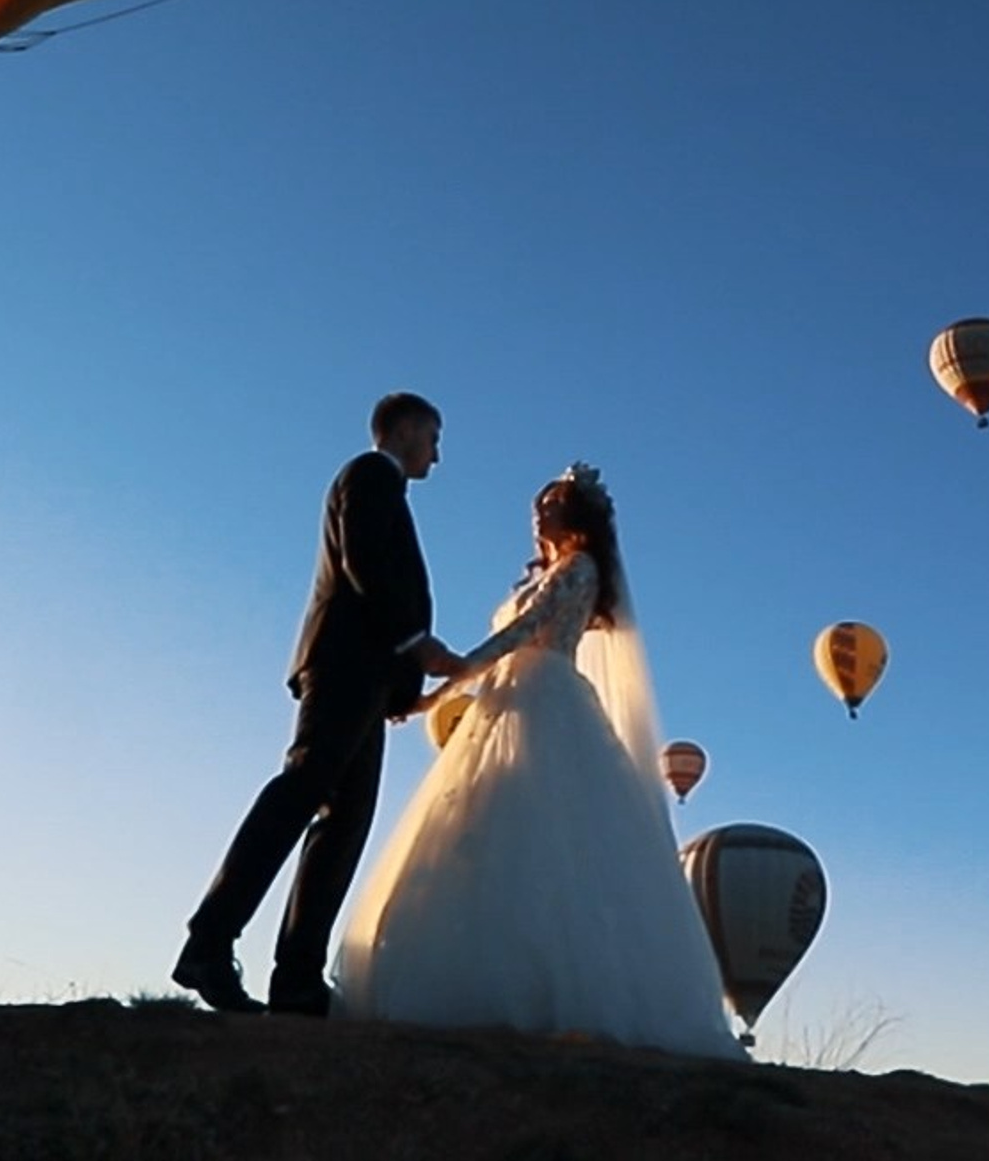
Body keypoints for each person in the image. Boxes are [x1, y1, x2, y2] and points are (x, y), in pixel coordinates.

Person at [333, 463, 745, 1060]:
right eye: (538, 502)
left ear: (574, 514)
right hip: (505, 703)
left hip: (545, 698)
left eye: (550, 502)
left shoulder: (580, 569)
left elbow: (522, 635)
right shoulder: (547, 572)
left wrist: (441, 685)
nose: (538, 510)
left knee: (543, 836)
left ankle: (547, 993)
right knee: (480, 830)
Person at [172, 393, 461, 1015]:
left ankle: (298, 979)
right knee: (302, 791)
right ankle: (208, 944)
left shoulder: (388, 490)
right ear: (405, 430)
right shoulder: (367, 475)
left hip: (373, 680)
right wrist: (415, 642)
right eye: (432, 438)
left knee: (344, 826)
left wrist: (404, 687)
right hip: (344, 667)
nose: (437, 455)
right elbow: (364, 563)